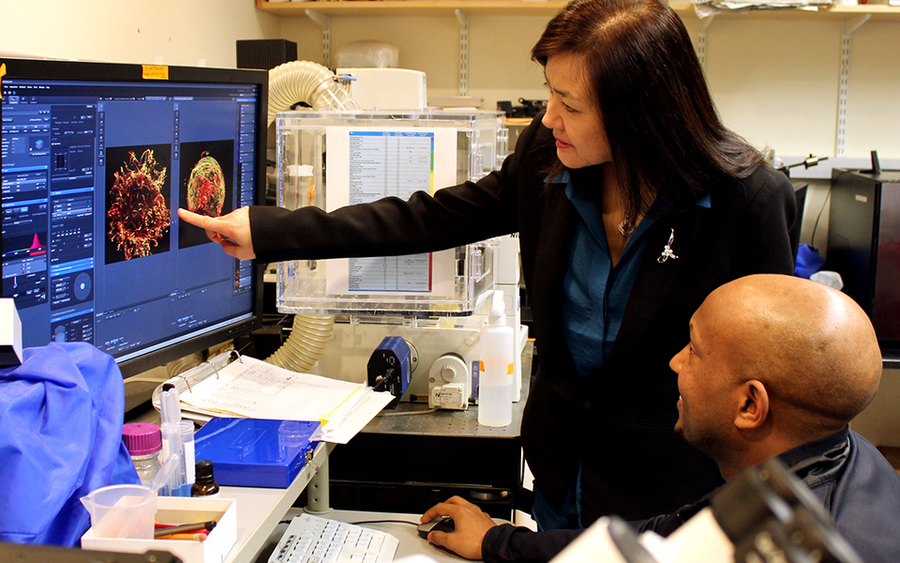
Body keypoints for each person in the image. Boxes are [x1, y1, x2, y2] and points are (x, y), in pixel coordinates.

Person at [178, 0, 797, 530]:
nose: (548, 117)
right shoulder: (547, 160)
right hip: (561, 473)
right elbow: (432, 217)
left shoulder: (745, 202)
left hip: (673, 493)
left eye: (569, 104)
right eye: (549, 93)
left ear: (641, 115)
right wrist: (271, 231)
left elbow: (769, 391)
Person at [421, 274, 900, 563]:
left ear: (750, 406)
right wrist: (497, 541)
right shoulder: (834, 458)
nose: (675, 362)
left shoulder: (803, 543)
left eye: (694, 349)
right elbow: (660, 538)